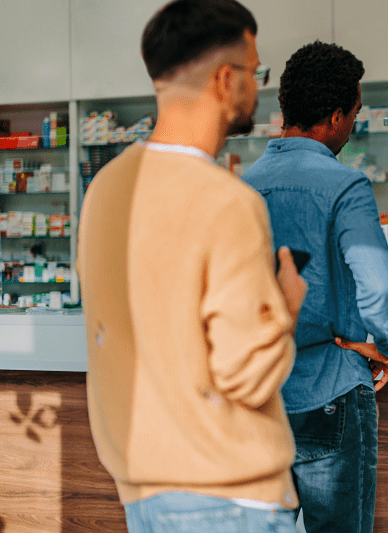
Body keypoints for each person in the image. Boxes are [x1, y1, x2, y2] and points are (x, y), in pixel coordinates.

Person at [76, 1, 306, 532]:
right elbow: (245, 375)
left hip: (143, 490)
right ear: (226, 80)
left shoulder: (106, 189)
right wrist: (284, 308)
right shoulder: (225, 201)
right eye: (255, 71)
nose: (258, 85)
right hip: (232, 497)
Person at [241, 41, 388, 533]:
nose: (351, 127)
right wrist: (387, 345)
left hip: (260, 394)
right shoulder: (343, 185)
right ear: (336, 117)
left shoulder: (242, 187)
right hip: (330, 390)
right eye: (353, 115)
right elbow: (380, 285)